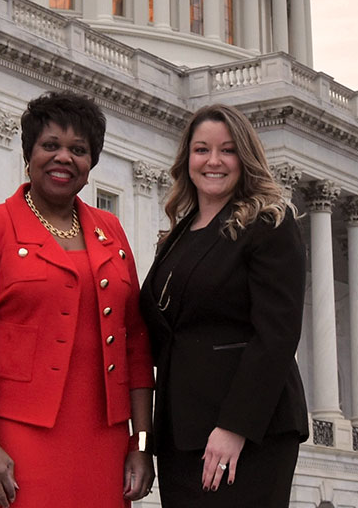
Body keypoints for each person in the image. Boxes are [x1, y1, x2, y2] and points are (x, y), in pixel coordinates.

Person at [0, 91, 154, 508]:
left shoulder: (110, 230)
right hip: (20, 437)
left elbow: (135, 345)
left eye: (78, 150)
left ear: (91, 164)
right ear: (29, 153)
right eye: (50, 145)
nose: (64, 157)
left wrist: (142, 443)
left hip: (106, 438)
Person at [139, 104, 307, 507]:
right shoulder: (178, 235)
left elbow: (277, 334)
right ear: (187, 160)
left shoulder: (269, 222)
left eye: (227, 150)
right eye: (201, 150)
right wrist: (143, 439)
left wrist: (235, 426)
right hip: (181, 434)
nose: (213, 161)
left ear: (245, 158)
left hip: (248, 433)